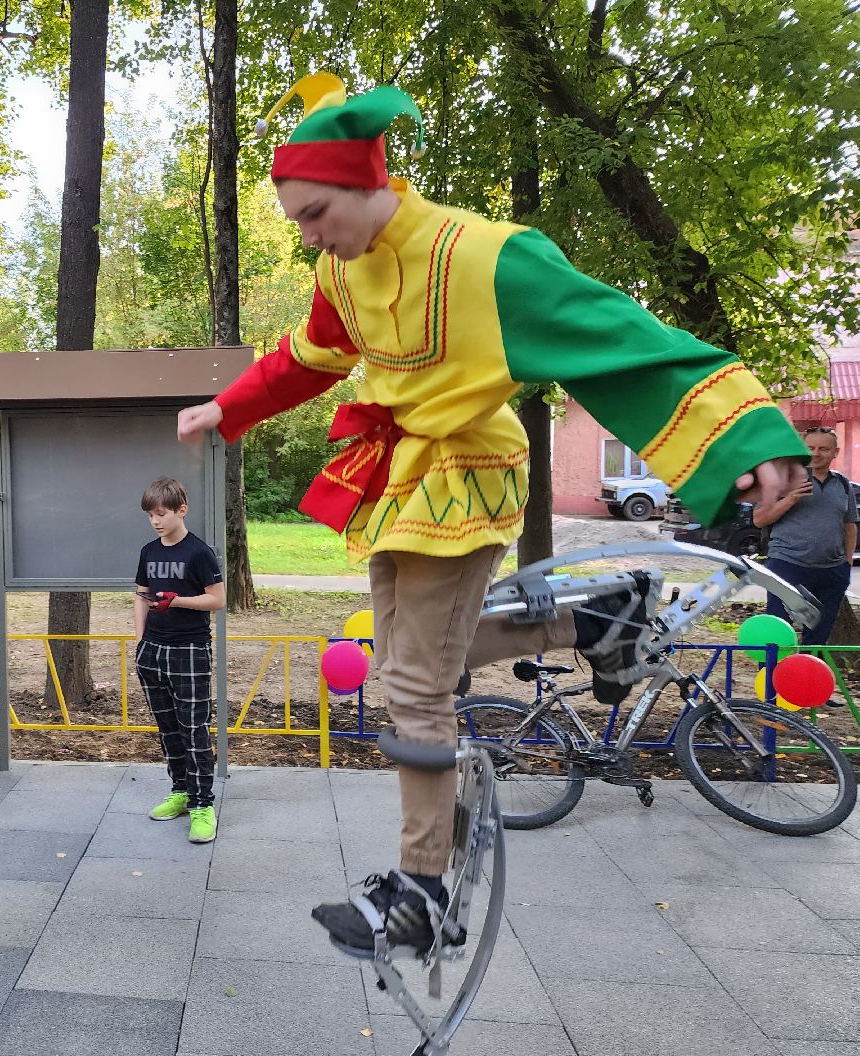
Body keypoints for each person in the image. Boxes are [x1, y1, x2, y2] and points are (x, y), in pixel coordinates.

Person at [176, 73, 808, 956]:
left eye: (317, 214)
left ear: (368, 182)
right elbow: (305, 358)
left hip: (466, 475)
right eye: (300, 222)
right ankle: (597, 615)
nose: (309, 236)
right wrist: (225, 409)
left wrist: (747, 436)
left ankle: (423, 894)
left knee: (414, 688)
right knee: (406, 665)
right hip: (399, 478)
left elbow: (620, 339)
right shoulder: (339, 269)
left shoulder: (486, 256)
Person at [133, 477, 225, 844]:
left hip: (190, 651)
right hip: (153, 650)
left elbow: (217, 600)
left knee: (194, 730)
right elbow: (141, 596)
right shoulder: (148, 551)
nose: (155, 521)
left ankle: (203, 804)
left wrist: (179, 601)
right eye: (150, 515)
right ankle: (181, 792)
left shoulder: (199, 552)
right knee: (168, 728)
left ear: (181, 510)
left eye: (161, 514)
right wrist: (140, 642)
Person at [754, 426, 857, 646]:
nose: (817, 453)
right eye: (811, 448)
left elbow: (849, 525)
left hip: (831, 571)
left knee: (819, 634)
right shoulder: (782, 479)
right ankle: (770, 678)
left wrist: (846, 564)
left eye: (824, 448)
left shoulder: (842, 484)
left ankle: (805, 675)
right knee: (777, 630)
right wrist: (790, 498)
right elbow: (759, 519)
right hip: (787, 564)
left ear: (835, 452)